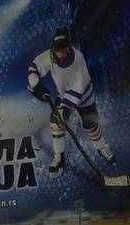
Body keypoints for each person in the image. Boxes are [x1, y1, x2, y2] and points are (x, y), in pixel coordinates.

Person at [29, 27, 115, 177]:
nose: (61, 53)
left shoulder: (78, 58)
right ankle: (60, 156)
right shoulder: (49, 56)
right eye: (57, 49)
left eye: (63, 48)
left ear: (69, 47)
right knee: (55, 123)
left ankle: (102, 148)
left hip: (84, 97)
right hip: (64, 96)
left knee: (91, 125)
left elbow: (78, 87)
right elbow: (33, 68)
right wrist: (37, 86)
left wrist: (65, 110)